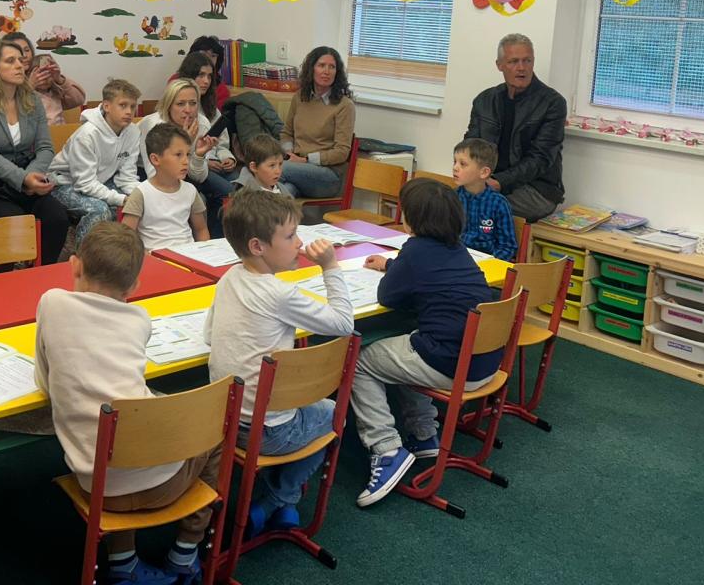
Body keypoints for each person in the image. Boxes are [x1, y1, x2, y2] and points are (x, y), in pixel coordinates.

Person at [36, 223, 217, 584]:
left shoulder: (51, 303)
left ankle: (124, 563)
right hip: (162, 483)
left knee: (117, 433)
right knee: (215, 430)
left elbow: (45, 381)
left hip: (96, 485)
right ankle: (187, 549)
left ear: (74, 265)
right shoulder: (139, 319)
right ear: (134, 287)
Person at [205, 190, 354, 534]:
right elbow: (344, 324)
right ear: (258, 246)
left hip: (222, 418)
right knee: (335, 415)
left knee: (300, 404)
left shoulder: (229, 278)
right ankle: (276, 500)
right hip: (267, 431)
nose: (299, 243)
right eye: (290, 236)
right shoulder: (279, 293)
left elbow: (209, 335)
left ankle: (282, 503)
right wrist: (330, 266)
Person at [350, 179, 500, 507]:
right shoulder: (457, 249)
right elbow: (430, 275)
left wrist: (395, 268)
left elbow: (387, 295)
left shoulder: (415, 249)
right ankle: (423, 433)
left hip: (450, 364)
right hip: (486, 363)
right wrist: (392, 265)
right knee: (406, 345)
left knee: (358, 361)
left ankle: (386, 448)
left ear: (412, 220)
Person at [0, 39, 70, 264]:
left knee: (57, 218)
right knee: (11, 224)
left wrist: (32, 176)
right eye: (10, 61)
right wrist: (24, 179)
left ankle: (39, 274)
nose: (20, 65)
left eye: (20, 60)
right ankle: (3, 281)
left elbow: (45, 147)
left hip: (24, 179)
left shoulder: (31, 100)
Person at [464, 33, 566, 222]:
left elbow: (540, 159)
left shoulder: (552, 103)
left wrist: (499, 182)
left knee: (479, 205)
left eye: (527, 61)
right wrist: (471, 175)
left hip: (536, 189)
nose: (522, 68)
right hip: (488, 181)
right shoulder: (485, 100)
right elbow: (470, 148)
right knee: (443, 199)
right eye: (513, 61)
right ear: (499, 65)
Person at [47, 78, 142, 248]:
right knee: (100, 210)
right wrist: (120, 199)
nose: (129, 112)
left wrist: (139, 195)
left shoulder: (133, 132)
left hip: (99, 181)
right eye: (123, 105)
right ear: (107, 106)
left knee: (140, 202)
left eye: (133, 106)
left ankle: (116, 254)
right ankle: (84, 258)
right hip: (63, 184)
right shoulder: (87, 135)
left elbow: (127, 176)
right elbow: (84, 183)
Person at [137, 79, 231, 232]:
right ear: (169, 105)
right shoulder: (154, 125)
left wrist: (199, 155)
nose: (188, 110)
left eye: (193, 103)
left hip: (187, 168)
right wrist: (185, 142)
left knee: (227, 192)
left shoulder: (202, 123)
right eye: (180, 104)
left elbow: (199, 177)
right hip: (153, 172)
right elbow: (155, 173)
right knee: (194, 198)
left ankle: (212, 239)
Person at [279, 47, 355, 201]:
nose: (326, 71)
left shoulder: (345, 106)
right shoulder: (300, 97)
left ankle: (240, 203)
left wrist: (306, 160)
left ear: (337, 72)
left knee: (271, 167)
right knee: (285, 192)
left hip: (327, 175)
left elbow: (341, 152)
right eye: (321, 65)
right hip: (296, 167)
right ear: (311, 69)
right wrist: (288, 153)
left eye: (332, 67)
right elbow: (287, 133)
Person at [121, 123, 210, 251]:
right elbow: (125, 237)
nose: (186, 161)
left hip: (188, 255)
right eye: (178, 155)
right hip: (155, 257)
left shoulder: (190, 190)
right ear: (155, 159)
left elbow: (201, 230)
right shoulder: (142, 193)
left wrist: (205, 253)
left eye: (188, 154)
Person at [453, 137, 517, 261]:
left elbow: (507, 246)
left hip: (487, 262)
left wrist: (490, 262)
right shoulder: (452, 198)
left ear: (484, 172)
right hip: (456, 258)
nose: (455, 168)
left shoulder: (499, 204)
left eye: (462, 164)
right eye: (454, 162)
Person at [176, 50, 236, 180]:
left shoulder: (211, 108)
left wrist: (227, 158)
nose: (206, 81)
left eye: (209, 76)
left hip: (217, 163)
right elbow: (176, 152)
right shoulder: (178, 110)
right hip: (194, 167)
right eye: (201, 75)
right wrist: (205, 162)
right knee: (228, 189)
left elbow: (222, 144)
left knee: (242, 181)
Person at [9, 32, 86, 125]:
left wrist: (59, 79)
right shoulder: (8, 84)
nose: (25, 55)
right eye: (19, 51)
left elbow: (78, 101)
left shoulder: (50, 85)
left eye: (27, 50)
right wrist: (30, 86)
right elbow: (11, 115)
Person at [176, 36, 230, 112]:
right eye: (204, 54)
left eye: (213, 56)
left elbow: (217, 116)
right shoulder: (175, 81)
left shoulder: (221, 90)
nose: (208, 58)